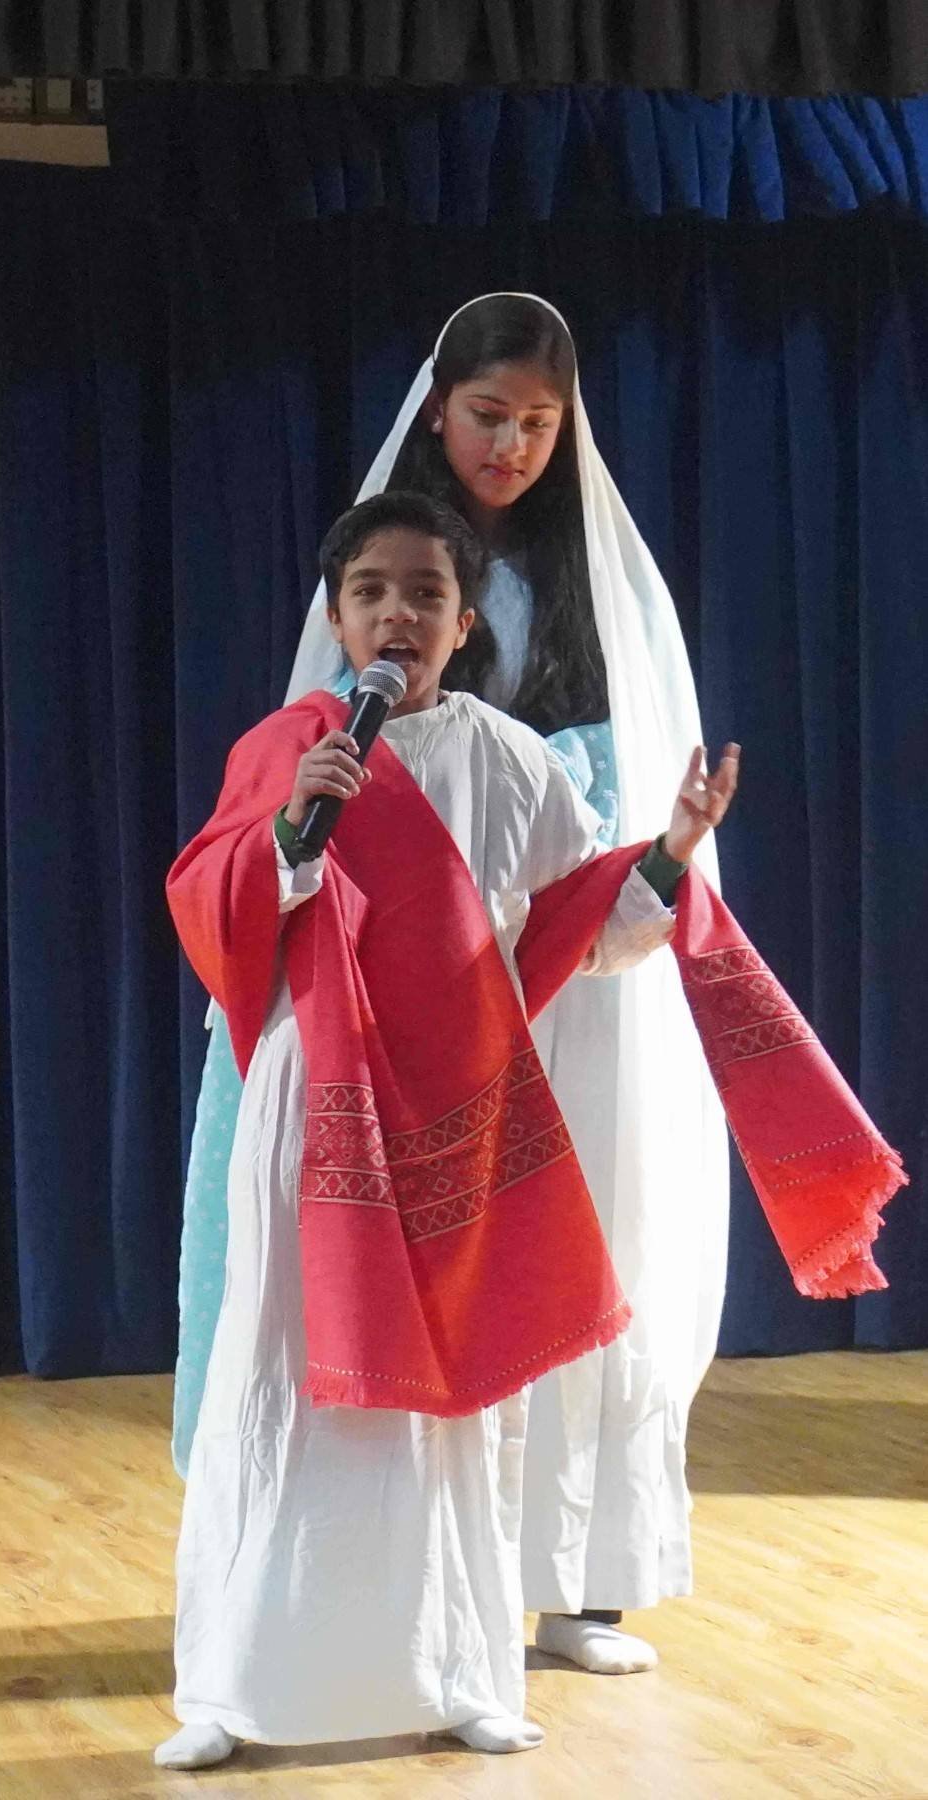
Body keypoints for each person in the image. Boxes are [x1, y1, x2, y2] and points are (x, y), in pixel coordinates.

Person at [172, 292, 727, 1678]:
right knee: (326, 1310)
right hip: (371, 1005)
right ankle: (287, 1627)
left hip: (530, 959)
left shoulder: (581, 605)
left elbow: (589, 860)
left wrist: (660, 849)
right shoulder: (347, 650)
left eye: (539, 423)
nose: (511, 446)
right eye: (488, 416)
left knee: (547, 1258)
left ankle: (555, 1589)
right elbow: (246, 853)